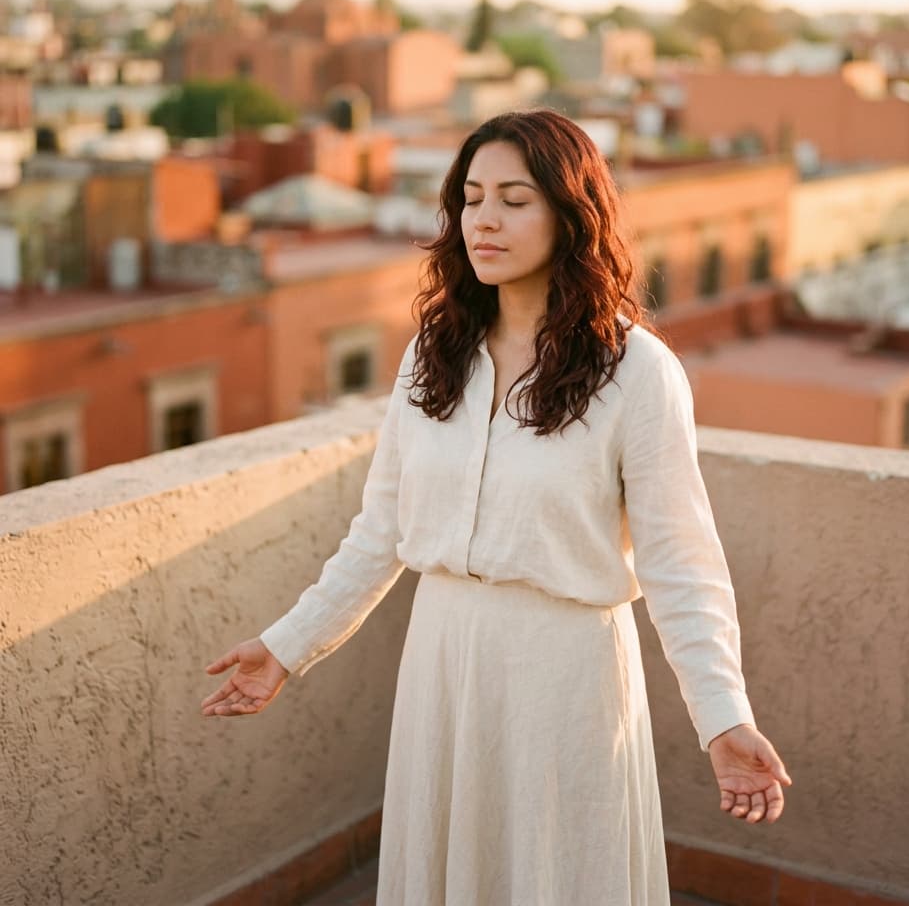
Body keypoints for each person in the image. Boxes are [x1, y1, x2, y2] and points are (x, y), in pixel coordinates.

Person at [201, 109, 792, 905]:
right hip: (443, 662)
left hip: (566, 676)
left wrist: (724, 717)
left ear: (570, 214)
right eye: (472, 197)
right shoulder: (430, 354)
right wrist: (285, 648)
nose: (485, 218)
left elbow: (681, 565)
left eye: (515, 199)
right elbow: (381, 535)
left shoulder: (638, 372)